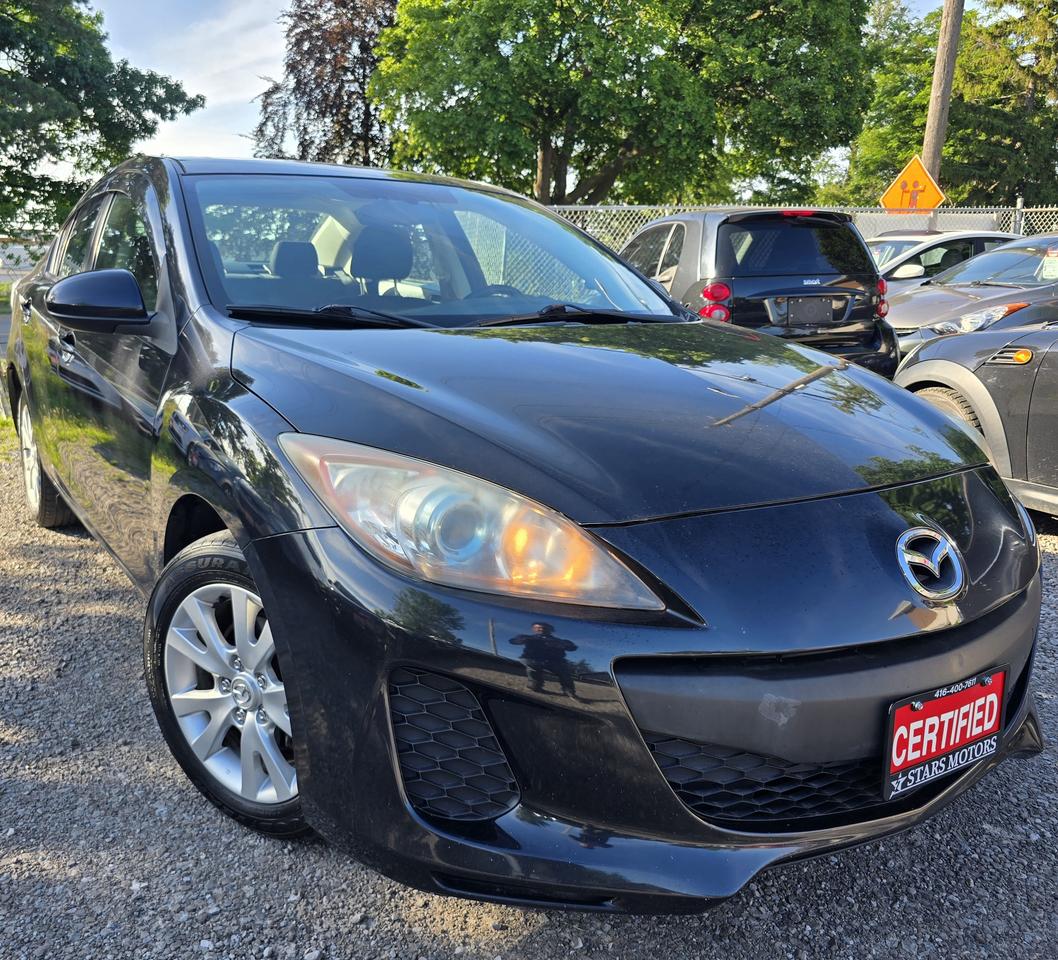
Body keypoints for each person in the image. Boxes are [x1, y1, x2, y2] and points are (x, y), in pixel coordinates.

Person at [508, 622, 577, 697]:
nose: (541, 629)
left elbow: (572, 648)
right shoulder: (529, 638)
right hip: (534, 659)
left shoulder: (559, 641)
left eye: (544, 628)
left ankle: (568, 690)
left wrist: (565, 645)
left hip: (555, 661)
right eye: (537, 628)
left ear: (551, 630)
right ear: (533, 629)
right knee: (531, 665)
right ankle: (535, 684)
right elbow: (513, 641)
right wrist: (521, 639)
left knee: (564, 672)